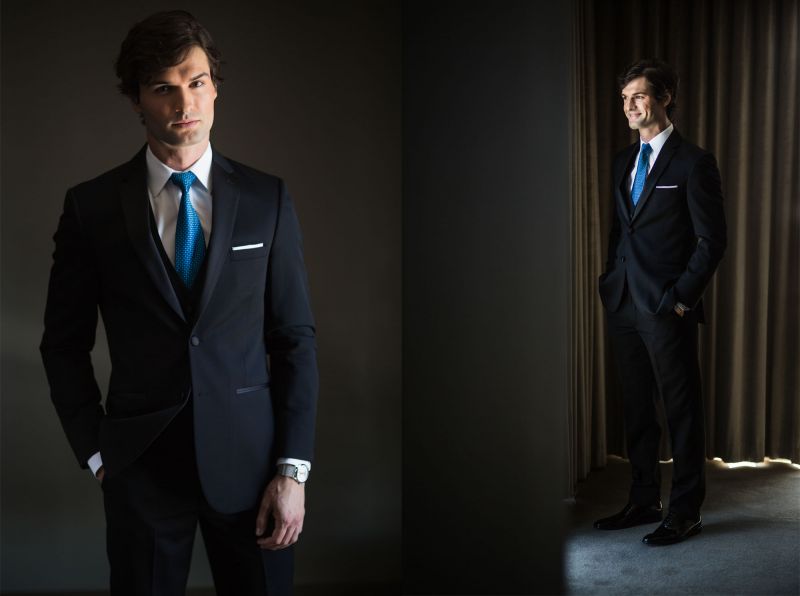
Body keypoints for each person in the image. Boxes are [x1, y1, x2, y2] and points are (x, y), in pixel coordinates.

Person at [40, 10, 318, 594]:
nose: (182, 102)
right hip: (140, 469)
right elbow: (63, 344)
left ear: (215, 85)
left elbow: (293, 338)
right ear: (138, 100)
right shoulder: (90, 208)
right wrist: (97, 454)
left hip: (253, 468)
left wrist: (292, 470)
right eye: (163, 88)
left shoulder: (268, 198)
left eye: (195, 82)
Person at [595, 58, 726, 545]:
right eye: (624, 98)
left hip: (667, 307)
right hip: (624, 304)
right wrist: (611, 281)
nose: (629, 106)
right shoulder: (622, 162)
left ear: (665, 97)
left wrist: (679, 301)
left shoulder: (694, 162)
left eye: (638, 96)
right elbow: (620, 231)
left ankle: (686, 510)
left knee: (681, 410)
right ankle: (644, 498)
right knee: (637, 409)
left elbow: (712, 241)